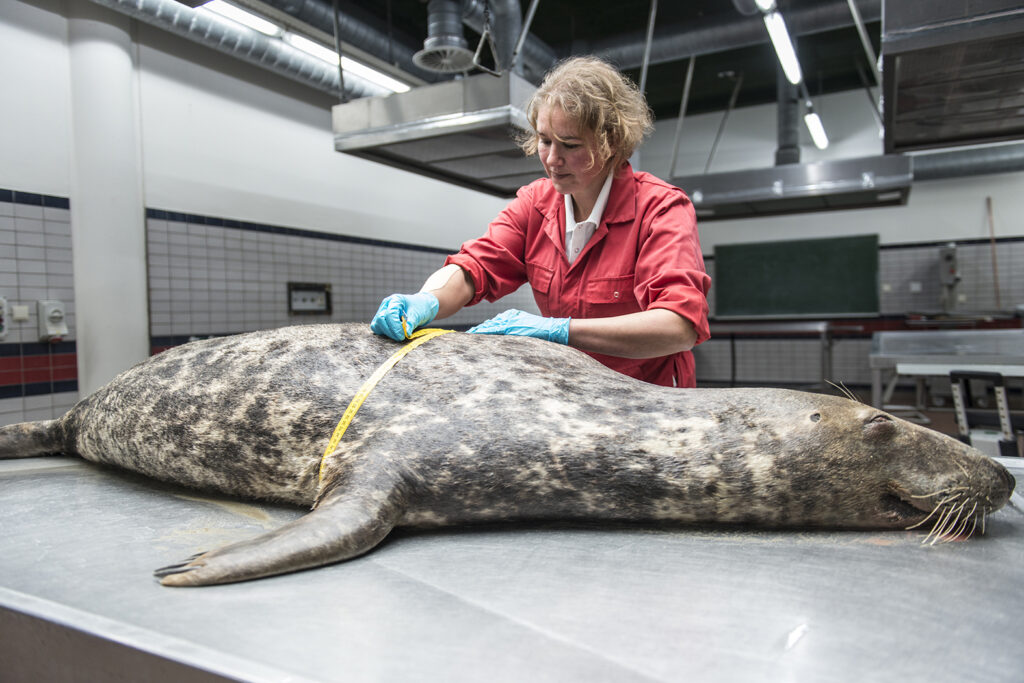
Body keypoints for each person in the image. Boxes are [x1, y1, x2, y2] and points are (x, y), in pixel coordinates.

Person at [370, 56, 710, 387]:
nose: (552, 159)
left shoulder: (660, 208)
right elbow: (475, 267)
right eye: (545, 140)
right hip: (573, 390)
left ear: (612, 143)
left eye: (570, 145)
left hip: (649, 396)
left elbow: (679, 326)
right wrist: (426, 299)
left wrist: (559, 330)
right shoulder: (535, 203)